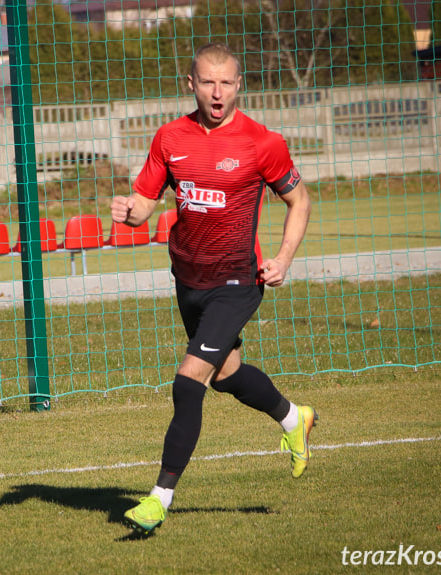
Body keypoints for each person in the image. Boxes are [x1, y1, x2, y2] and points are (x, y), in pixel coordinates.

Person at [111, 43, 316, 535]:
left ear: (239, 85)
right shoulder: (169, 137)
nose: (217, 92)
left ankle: (159, 499)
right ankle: (294, 417)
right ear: (191, 84)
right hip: (188, 277)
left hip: (237, 281)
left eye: (226, 83)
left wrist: (283, 258)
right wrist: (131, 212)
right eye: (207, 82)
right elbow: (145, 203)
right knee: (226, 375)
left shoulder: (261, 143)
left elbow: (300, 199)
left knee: (188, 384)